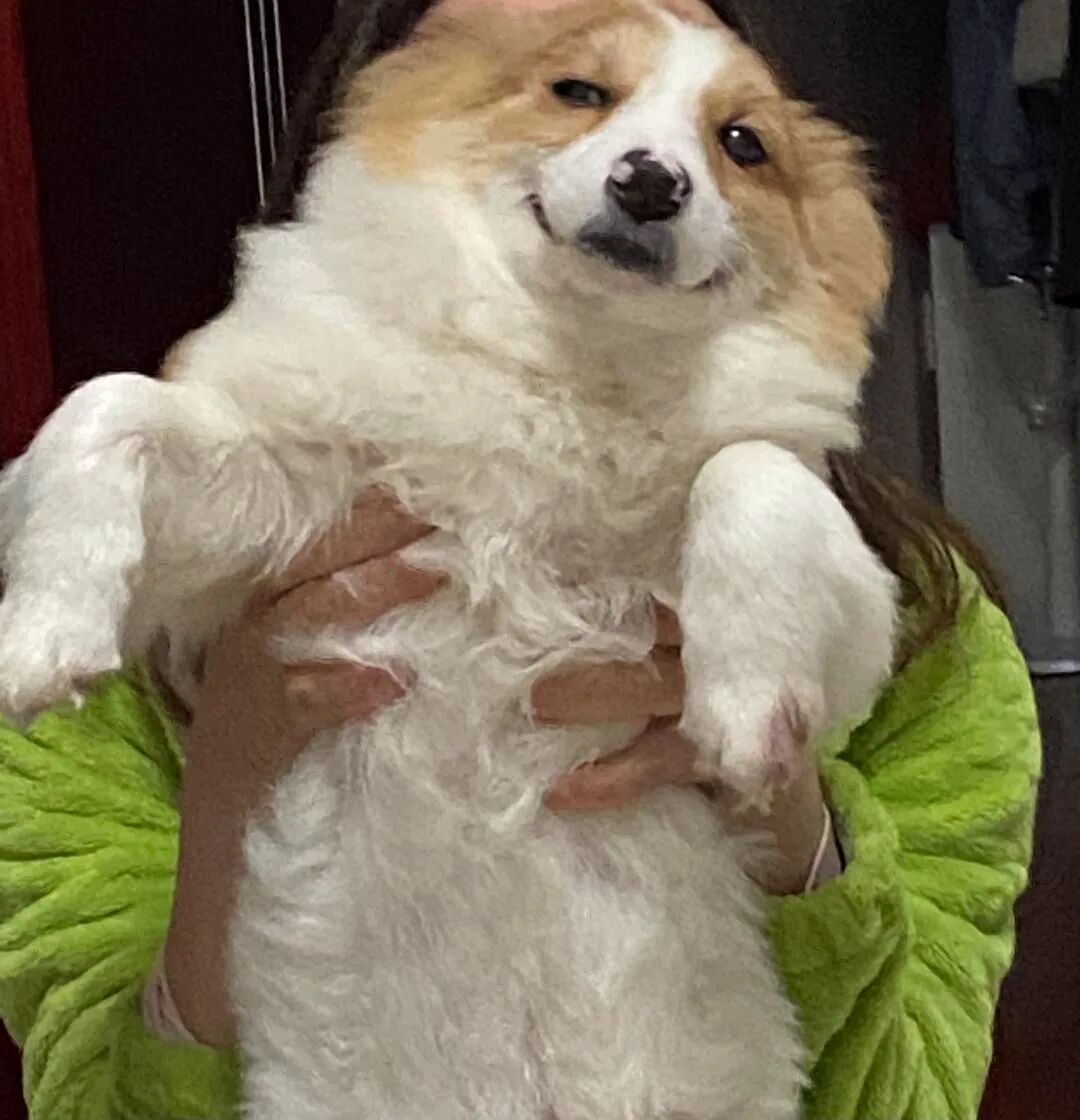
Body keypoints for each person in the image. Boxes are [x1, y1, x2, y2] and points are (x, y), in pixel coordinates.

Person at [0, 0, 1041, 1117]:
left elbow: (917, 1091)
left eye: (737, 142)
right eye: (577, 88)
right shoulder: (94, 621)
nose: (652, 167)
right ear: (389, 108)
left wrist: (793, 822)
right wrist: (228, 778)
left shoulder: (921, 616)